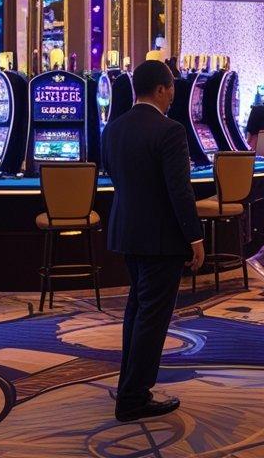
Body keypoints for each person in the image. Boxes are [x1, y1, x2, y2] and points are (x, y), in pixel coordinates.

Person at [101, 60, 205, 423]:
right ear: (160, 89)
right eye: (172, 87)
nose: (175, 94)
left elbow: (114, 175)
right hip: (162, 237)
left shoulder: (112, 129)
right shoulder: (170, 131)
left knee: (137, 311)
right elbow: (180, 191)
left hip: (128, 232)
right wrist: (194, 236)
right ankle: (133, 396)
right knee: (152, 317)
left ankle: (130, 384)